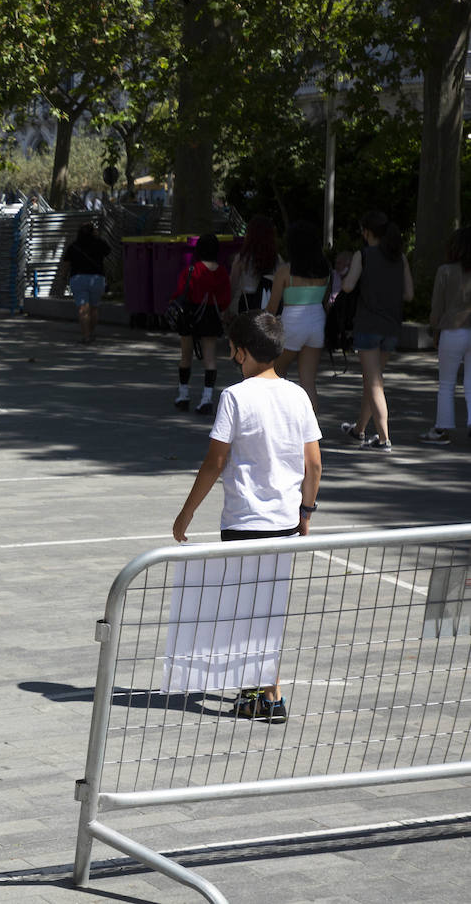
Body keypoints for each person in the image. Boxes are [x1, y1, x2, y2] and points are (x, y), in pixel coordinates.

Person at [171, 309, 322, 724]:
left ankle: (270, 693)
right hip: (285, 521)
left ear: (238, 352)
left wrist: (185, 514)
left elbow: (214, 462)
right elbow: (314, 464)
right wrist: (306, 511)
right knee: (266, 606)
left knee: (246, 608)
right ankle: (257, 690)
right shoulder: (298, 396)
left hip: (243, 521)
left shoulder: (235, 397)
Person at [339, 211, 414, 451]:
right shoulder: (400, 258)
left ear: (367, 232)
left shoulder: (364, 255)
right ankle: (359, 429)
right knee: (374, 380)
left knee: (373, 382)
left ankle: (383, 438)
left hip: (368, 324)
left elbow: (348, 286)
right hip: (392, 325)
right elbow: (409, 294)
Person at [266, 221, 329, 410]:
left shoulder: (285, 271)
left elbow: (272, 307)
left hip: (292, 321)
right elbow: (326, 301)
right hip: (317, 320)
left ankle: (279, 417)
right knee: (308, 380)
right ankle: (311, 433)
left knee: (276, 371)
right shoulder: (325, 269)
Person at [420, 227, 471, 444]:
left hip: (452, 329)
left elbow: (437, 307)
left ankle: (442, 429)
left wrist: (435, 330)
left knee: (447, 383)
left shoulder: (446, 271)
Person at [173, 233, 231, 414]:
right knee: (210, 357)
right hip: (211, 315)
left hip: (191, 315)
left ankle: (183, 395)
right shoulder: (221, 272)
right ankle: (207, 398)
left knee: (185, 356)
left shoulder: (192, 270)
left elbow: (181, 292)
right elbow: (225, 298)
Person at [63, 222, 111, 344]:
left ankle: (86, 335)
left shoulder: (73, 246)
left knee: (83, 309)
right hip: (97, 279)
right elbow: (108, 251)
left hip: (78, 279)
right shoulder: (99, 244)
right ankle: (90, 332)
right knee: (94, 309)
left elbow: (66, 264)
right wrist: (97, 236)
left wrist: (63, 278)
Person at [230, 215, 280, 313]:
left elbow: (232, 287)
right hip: (269, 302)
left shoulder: (242, 258)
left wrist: (226, 310)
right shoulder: (277, 259)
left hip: (248, 303)